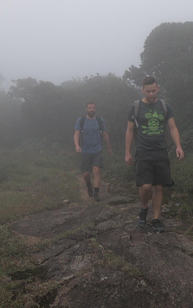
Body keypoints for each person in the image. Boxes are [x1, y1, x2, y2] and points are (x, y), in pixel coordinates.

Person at [124, 76, 184, 233]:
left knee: (158, 186)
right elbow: (130, 130)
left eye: (153, 90)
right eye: (148, 91)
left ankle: (156, 218)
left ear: (158, 88)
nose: (151, 94)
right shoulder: (136, 107)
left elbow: (172, 127)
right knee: (145, 186)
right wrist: (127, 152)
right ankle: (144, 208)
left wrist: (178, 146)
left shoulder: (164, 106)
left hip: (160, 151)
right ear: (143, 90)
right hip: (143, 151)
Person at [74, 101, 112, 200]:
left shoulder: (100, 120)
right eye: (90, 108)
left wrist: (109, 147)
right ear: (86, 109)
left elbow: (104, 133)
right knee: (86, 174)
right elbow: (76, 133)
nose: (91, 110)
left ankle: (96, 193)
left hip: (97, 150)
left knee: (96, 170)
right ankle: (88, 185)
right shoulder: (81, 120)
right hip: (85, 151)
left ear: (95, 109)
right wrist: (77, 145)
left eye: (93, 108)